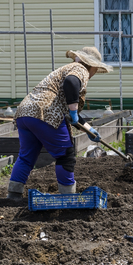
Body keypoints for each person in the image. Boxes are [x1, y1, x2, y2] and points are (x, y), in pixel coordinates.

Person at [7, 47, 113, 199]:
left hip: (25, 113)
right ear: (93, 66)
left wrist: (90, 130)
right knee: (65, 156)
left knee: (26, 156)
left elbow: (72, 114)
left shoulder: (66, 69)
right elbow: (71, 84)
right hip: (46, 113)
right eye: (96, 69)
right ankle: (68, 197)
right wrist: (74, 111)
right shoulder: (79, 68)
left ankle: (13, 194)